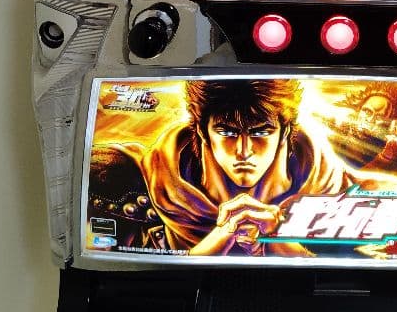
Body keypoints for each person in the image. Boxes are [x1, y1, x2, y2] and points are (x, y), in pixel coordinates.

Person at [138, 78, 352, 256]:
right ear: (203, 131)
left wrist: (279, 242)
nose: (244, 151)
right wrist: (216, 242)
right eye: (227, 132)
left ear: (284, 132)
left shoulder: (332, 192)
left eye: (260, 132)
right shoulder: (151, 181)